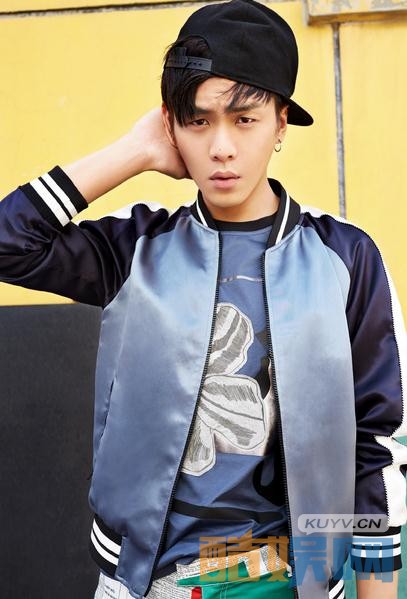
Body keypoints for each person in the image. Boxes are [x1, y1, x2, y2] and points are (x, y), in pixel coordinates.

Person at [0, 0, 405, 597]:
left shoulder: (344, 257)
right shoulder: (137, 246)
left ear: (282, 123)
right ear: (172, 128)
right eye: (197, 121)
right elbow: (10, 242)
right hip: (142, 581)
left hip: (284, 576)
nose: (221, 147)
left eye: (245, 120)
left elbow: (374, 443)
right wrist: (134, 152)